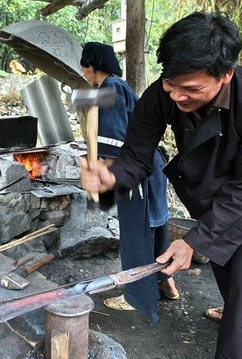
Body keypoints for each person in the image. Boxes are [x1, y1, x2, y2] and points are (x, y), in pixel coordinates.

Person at [79, 12, 242, 358]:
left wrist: (195, 241)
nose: (177, 97)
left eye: (191, 89)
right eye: (171, 85)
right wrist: (111, 175)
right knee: (224, 256)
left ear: (226, 75)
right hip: (213, 181)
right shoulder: (163, 92)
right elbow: (137, 156)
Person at [79, 42, 178, 324]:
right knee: (156, 226)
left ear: (92, 66)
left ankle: (135, 297)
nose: (84, 73)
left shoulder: (109, 89)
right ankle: (166, 282)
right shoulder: (120, 87)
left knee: (136, 232)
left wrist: (102, 169)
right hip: (153, 165)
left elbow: (113, 137)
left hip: (132, 170)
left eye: (84, 68)